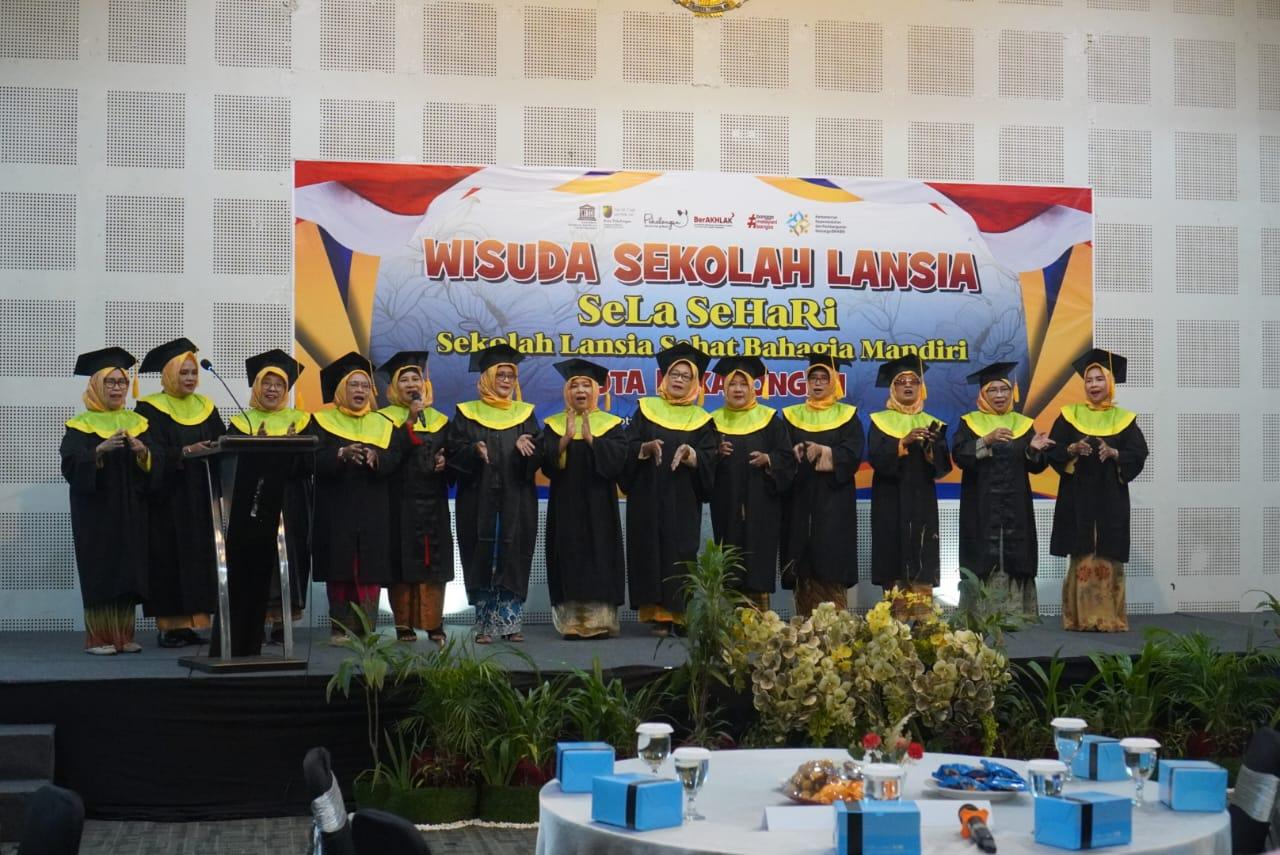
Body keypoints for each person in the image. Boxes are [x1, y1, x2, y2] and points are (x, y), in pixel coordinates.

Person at [211, 349, 312, 657]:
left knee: (290, 557)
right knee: (254, 556)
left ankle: (283, 623)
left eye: (279, 384)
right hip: (251, 503)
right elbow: (230, 465)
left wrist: (293, 449)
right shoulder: (241, 424)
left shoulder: (302, 422)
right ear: (256, 387)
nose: (272, 389)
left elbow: (310, 464)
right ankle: (253, 622)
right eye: (266, 383)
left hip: (291, 502)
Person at [61, 348, 157, 654]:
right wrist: (99, 451)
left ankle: (124, 636)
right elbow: (70, 465)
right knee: (101, 568)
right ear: (96, 385)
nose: (117, 388)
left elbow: (155, 461)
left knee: (128, 568)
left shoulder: (138, 422)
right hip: (96, 512)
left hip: (130, 509)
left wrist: (143, 452)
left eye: (122, 382)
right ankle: (99, 638)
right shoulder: (80, 424)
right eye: (110, 382)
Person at [620, 342, 717, 636]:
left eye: (686, 376)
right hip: (647, 496)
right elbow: (626, 447)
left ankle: (680, 614)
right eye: (674, 374)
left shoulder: (702, 420)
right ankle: (657, 615)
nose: (679, 380)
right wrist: (643, 448)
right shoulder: (646, 410)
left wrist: (692, 455)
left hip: (682, 499)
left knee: (680, 551)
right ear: (665, 377)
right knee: (649, 549)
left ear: (695, 382)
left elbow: (710, 456)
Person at [1048, 348, 1148, 632]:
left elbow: (1138, 454)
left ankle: (1109, 618)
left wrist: (1115, 453)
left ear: (1110, 383)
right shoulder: (1069, 416)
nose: (1093, 385)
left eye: (1099, 379)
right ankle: (1078, 618)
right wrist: (1071, 449)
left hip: (1110, 498)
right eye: (1089, 380)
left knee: (1108, 554)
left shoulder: (1124, 419)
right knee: (1081, 554)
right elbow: (1053, 451)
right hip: (1077, 497)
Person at [135, 338, 225, 649]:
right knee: (169, 559)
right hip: (168, 498)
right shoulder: (149, 408)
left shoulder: (206, 407)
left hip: (201, 496)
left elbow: (221, 441)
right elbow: (150, 451)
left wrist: (220, 446)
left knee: (200, 558)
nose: (189, 378)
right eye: (183, 373)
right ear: (170, 374)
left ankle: (195, 623)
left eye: (193, 373)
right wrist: (185, 452)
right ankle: (171, 627)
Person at [446, 343, 539, 644]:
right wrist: (473, 450)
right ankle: (485, 624)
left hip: (517, 497)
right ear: (486, 377)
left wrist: (527, 446)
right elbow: (453, 452)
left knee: (512, 553)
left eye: (511, 376)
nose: (506, 380)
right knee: (482, 552)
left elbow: (539, 452)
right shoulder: (466, 414)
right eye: (500, 375)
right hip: (478, 497)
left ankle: (510, 623)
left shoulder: (524, 415)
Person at [309, 352, 405, 641]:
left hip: (374, 508)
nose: (360, 390)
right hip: (336, 507)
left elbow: (397, 457)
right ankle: (339, 627)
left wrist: (377, 458)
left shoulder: (384, 423)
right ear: (341, 389)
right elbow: (310, 459)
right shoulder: (320, 421)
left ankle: (366, 629)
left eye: (365, 385)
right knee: (339, 568)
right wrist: (340, 454)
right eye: (354, 385)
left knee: (370, 569)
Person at [951, 361, 1055, 620]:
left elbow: (1035, 467)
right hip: (980, 504)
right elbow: (960, 456)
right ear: (982, 394)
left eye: (1004, 390)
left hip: (1015, 506)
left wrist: (1033, 450)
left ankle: (1016, 613)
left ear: (1011, 393)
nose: (999, 395)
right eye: (993, 390)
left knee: (1017, 553)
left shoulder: (1023, 424)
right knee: (981, 554)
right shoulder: (969, 423)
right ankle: (979, 614)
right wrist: (986, 440)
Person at [539, 358, 627, 639]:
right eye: (574, 385)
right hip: (565, 505)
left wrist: (592, 440)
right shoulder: (554, 425)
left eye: (586, 385)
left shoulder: (611, 425)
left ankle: (600, 620)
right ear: (567, 391)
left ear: (596, 391)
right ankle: (571, 622)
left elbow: (618, 463)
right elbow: (546, 465)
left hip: (600, 506)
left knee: (600, 555)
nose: (580, 390)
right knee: (568, 555)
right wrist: (564, 440)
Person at [376, 350, 453, 645]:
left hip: (433, 502)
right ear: (394, 387)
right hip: (399, 502)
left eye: (415, 379)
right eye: (404, 379)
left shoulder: (440, 420)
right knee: (401, 561)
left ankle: (433, 623)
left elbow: (453, 455)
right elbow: (386, 461)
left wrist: (446, 463)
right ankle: (403, 624)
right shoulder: (382, 419)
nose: (411, 385)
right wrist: (408, 421)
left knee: (434, 561)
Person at [709, 355, 795, 609]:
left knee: (759, 554)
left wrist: (769, 459)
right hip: (726, 503)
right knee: (730, 553)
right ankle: (732, 614)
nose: (738, 389)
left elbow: (787, 457)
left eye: (743, 384)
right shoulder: (713, 421)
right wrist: (715, 453)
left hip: (762, 503)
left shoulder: (770, 420)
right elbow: (701, 459)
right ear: (724, 388)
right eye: (732, 384)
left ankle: (761, 615)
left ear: (753, 387)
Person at [780, 354, 863, 615]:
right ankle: (804, 629)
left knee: (832, 560)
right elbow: (781, 454)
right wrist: (793, 453)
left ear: (834, 382)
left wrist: (825, 451)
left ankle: (835, 630)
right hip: (800, 500)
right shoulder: (791, 416)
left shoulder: (847, 416)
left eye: (823, 378)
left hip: (834, 502)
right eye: (813, 378)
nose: (817, 383)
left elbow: (852, 454)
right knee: (802, 565)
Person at [867, 354, 952, 601]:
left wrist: (930, 449)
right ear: (892, 388)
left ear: (920, 388)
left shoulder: (933, 424)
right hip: (889, 499)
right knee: (891, 553)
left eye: (913, 381)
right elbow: (876, 458)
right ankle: (892, 618)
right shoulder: (879, 421)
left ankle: (924, 617)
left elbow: (943, 468)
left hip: (922, 500)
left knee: (922, 550)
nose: (907, 386)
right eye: (900, 381)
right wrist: (903, 442)